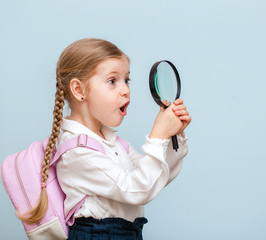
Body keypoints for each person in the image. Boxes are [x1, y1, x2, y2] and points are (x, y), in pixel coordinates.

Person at [21, 38, 191, 240]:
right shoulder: (78, 152)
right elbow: (139, 189)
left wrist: (173, 137)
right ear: (79, 90)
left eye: (127, 80)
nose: (125, 89)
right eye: (112, 81)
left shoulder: (115, 143)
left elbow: (154, 179)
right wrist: (158, 136)